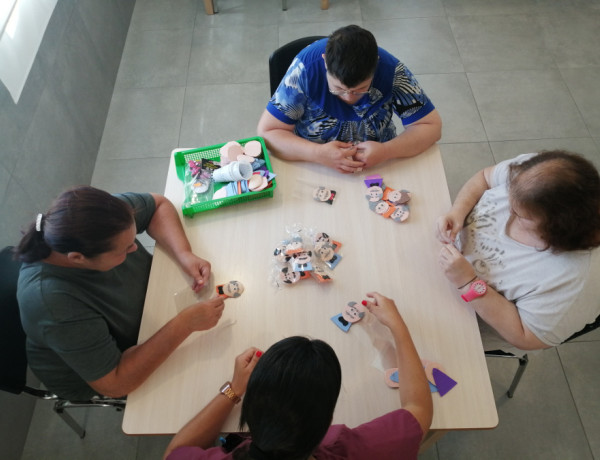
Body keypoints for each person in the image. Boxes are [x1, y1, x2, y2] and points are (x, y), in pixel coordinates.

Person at [163, 292, 432, 460]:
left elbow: (174, 453)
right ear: (328, 423)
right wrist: (397, 327)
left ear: (248, 418)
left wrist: (234, 389)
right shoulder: (352, 449)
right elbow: (418, 409)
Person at [16, 186, 225, 401]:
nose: (134, 248)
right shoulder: (52, 304)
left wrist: (184, 254)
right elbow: (116, 383)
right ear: (78, 258)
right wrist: (184, 324)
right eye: (124, 249)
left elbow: (157, 205)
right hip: (106, 369)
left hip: (144, 312)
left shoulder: (100, 218)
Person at [435, 150, 600, 356]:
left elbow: (525, 336)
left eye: (520, 215)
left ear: (553, 232)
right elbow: (484, 178)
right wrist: (457, 212)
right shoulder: (535, 174)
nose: (508, 210)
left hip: (464, 320)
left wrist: (468, 283)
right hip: (438, 269)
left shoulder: (574, 280)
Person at [257, 25, 442, 174]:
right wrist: (318, 153)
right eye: (338, 89)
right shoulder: (304, 70)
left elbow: (431, 127)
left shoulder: (392, 71)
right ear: (325, 62)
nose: (349, 97)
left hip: (378, 160)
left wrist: (387, 151)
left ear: (375, 65)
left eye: (360, 90)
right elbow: (268, 132)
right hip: (313, 162)